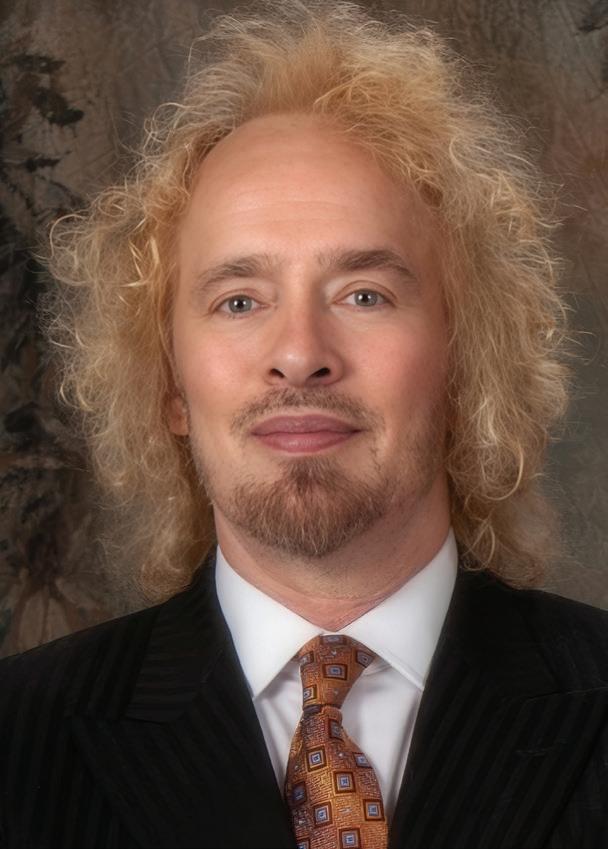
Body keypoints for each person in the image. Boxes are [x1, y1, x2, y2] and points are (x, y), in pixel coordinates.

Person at [1, 2, 606, 847]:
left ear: (467, 357)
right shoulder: (16, 741)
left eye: (364, 294)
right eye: (239, 300)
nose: (298, 354)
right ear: (169, 380)